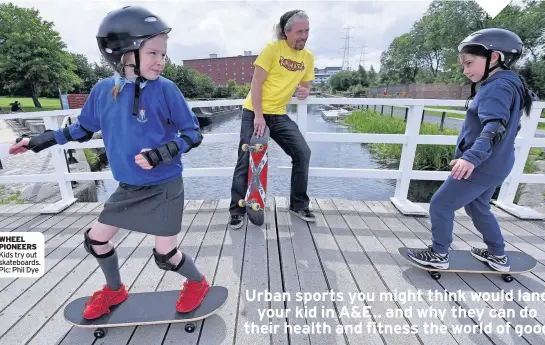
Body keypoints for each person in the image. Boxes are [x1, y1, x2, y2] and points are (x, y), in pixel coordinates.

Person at [8, 6, 211, 319]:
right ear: (124, 54)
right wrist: (37, 141)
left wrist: (160, 154)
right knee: (95, 240)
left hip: (165, 186)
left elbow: (193, 134)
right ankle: (115, 289)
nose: (161, 61)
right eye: (154, 53)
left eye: (163, 54)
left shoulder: (167, 90)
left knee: (166, 254)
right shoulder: (103, 90)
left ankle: (198, 283)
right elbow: (81, 129)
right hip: (129, 188)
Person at [407, 28, 537, 273]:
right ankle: (497, 254)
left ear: (495, 57)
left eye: (469, 63)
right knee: (477, 207)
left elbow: (494, 127)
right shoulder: (511, 84)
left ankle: (438, 253)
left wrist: (470, 158)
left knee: (440, 205)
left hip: (481, 165)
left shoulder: (497, 87)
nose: (465, 71)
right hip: (497, 163)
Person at [228, 9, 316, 229]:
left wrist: (304, 91)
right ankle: (237, 210)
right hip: (254, 113)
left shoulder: (308, 57)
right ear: (287, 32)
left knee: (302, 153)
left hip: (278, 114)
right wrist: (258, 115)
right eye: (299, 32)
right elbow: (256, 83)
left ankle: (298, 204)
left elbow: (305, 85)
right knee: (245, 159)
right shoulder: (272, 50)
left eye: (307, 31)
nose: (304, 36)